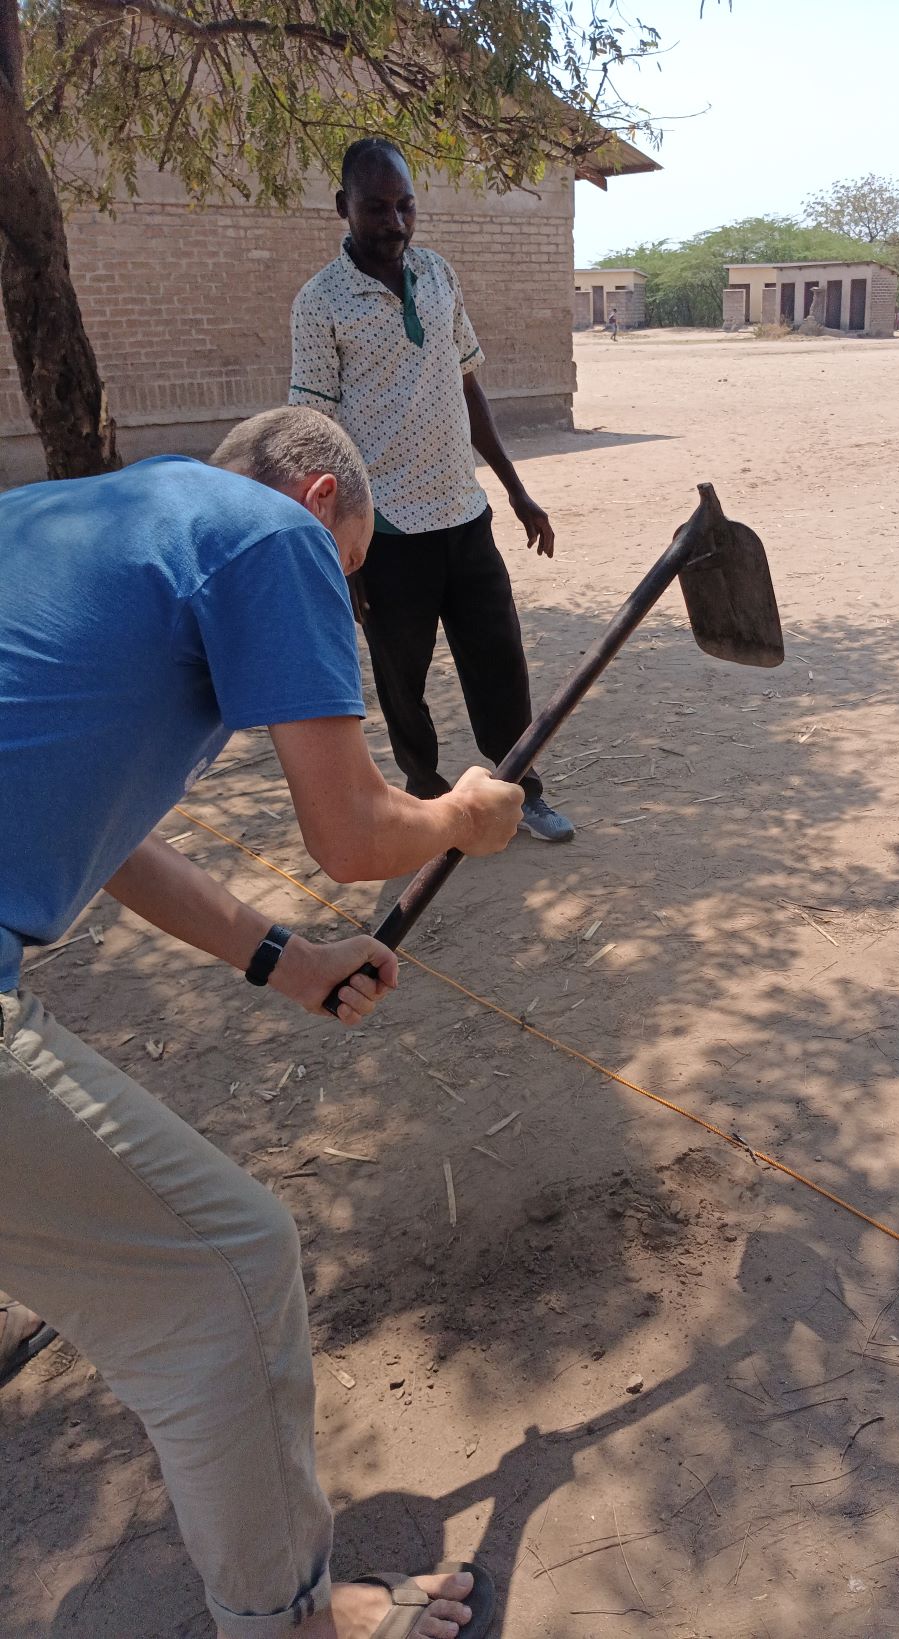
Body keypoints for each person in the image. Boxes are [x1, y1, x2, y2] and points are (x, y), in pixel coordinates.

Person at [0, 407, 516, 1639]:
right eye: (351, 569)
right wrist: (462, 815)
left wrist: (282, 961)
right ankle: (289, 1619)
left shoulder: (69, 523)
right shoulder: (268, 534)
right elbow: (351, 833)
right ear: (321, 496)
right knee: (227, 1266)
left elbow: (106, 835)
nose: (340, 595)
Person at [289, 137, 574, 843]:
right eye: (377, 208)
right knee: (402, 682)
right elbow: (316, 434)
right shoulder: (320, 303)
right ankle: (425, 800)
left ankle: (520, 793)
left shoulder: (437, 273)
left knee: (500, 664)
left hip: (464, 515)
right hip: (385, 534)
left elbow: (467, 385)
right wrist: (338, 553)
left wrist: (515, 491)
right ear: (344, 207)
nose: (395, 223)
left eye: (405, 206)